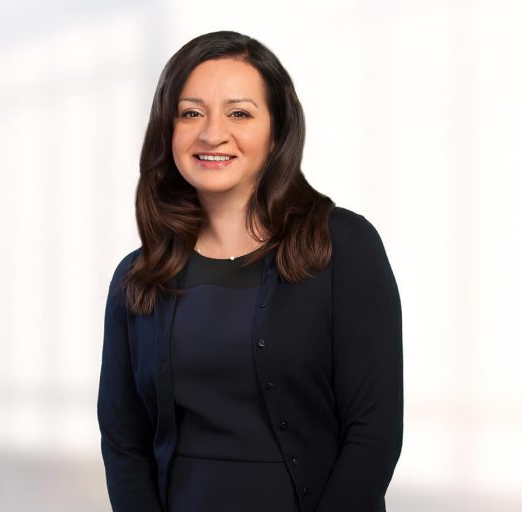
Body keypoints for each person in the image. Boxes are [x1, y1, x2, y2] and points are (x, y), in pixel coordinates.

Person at [97, 30, 403, 512]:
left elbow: (373, 433)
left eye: (239, 113)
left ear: (276, 132)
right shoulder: (139, 276)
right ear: (167, 130)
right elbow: (123, 442)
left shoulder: (343, 247)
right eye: (190, 113)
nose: (211, 133)